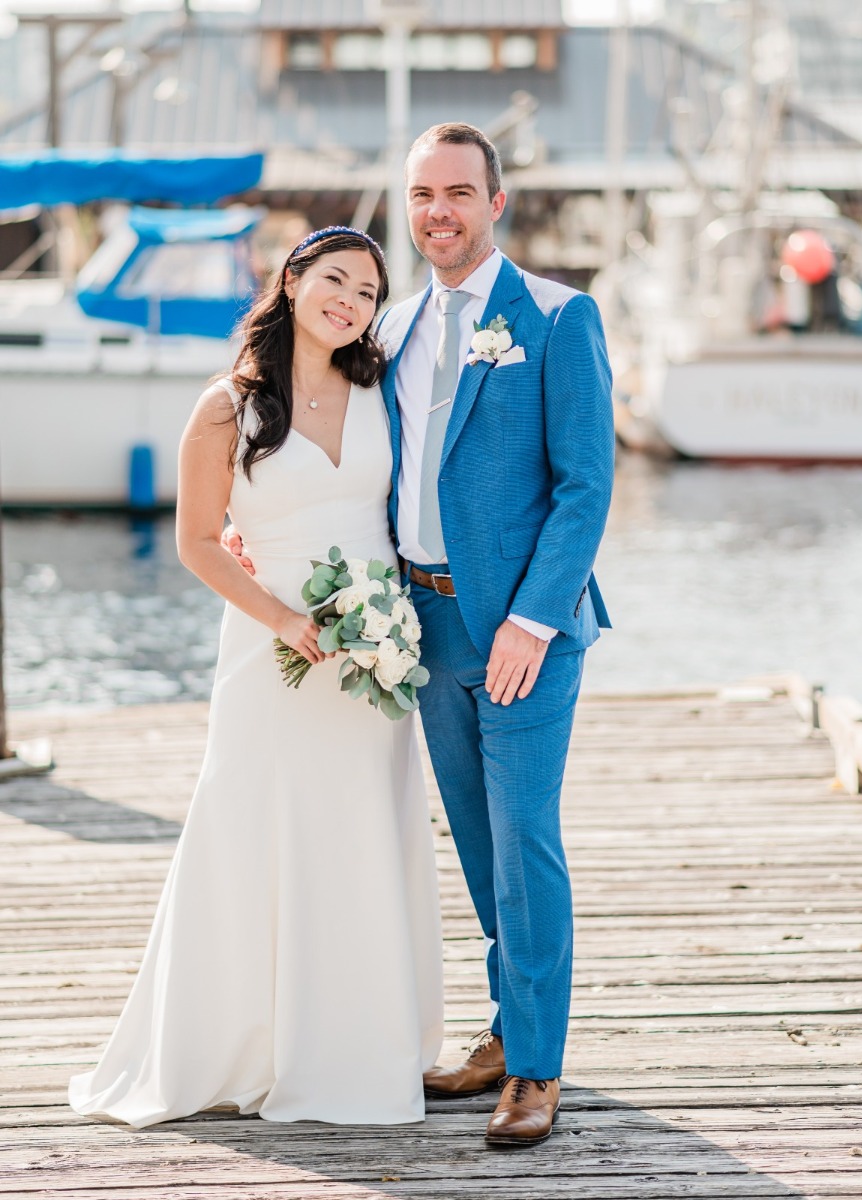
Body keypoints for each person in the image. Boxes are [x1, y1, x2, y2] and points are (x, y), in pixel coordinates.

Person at [232, 124, 615, 1148]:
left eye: (457, 191)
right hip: (421, 623)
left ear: (496, 202)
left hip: (525, 626)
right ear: (405, 208)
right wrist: (253, 505)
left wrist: (534, 620)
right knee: (480, 844)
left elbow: (586, 487)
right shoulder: (387, 328)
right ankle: (505, 1029)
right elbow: (341, 441)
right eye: (420, 195)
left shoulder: (556, 316)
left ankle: (535, 1068)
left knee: (526, 843)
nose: (437, 211)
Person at [68, 228, 444, 1128]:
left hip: (372, 652)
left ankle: (359, 1045)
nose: (349, 299)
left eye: (366, 289)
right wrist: (282, 617)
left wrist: (382, 619)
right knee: (255, 828)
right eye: (334, 279)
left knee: (363, 828)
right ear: (293, 281)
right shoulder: (226, 407)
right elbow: (198, 541)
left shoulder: (381, 391)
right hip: (271, 653)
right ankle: (239, 1042)